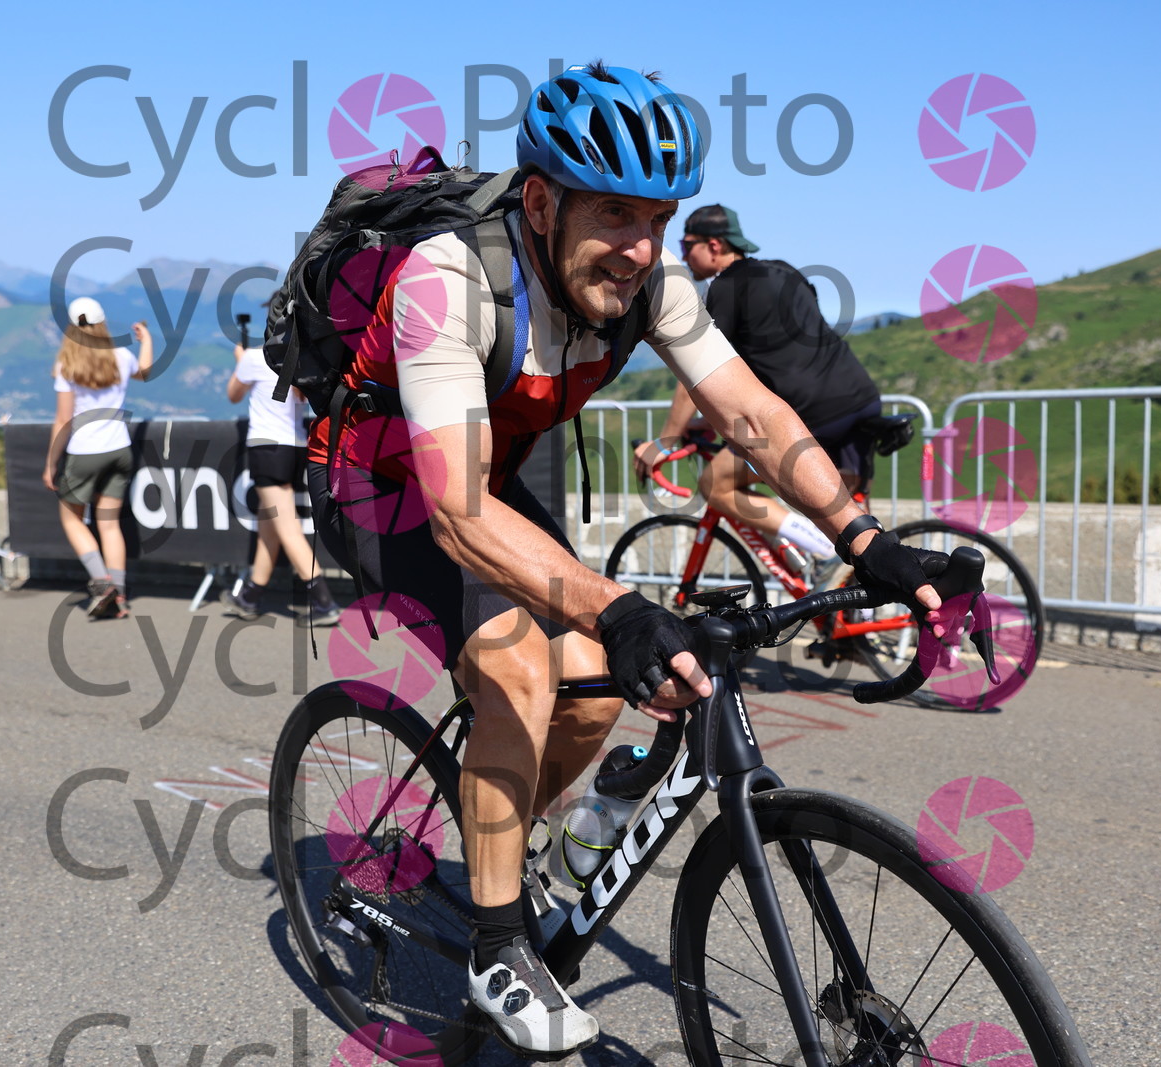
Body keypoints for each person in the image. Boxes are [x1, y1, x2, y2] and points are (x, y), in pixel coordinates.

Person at [305, 63, 948, 1057]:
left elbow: (750, 412)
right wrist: (615, 604)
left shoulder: (648, 282)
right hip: (380, 484)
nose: (640, 246)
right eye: (613, 211)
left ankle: (500, 837)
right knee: (520, 667)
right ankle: (497, 943)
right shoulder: (448, 278)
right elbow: (458, 513)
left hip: (482, 471)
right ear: (539, 203)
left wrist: (865, 538)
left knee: (599, 685)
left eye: (658, 218)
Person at [633, 205, 884, 559]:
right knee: (849, 506)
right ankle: (867, 572)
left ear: (715, 245)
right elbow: (777, 355)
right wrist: (711, 423)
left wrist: (667, 441)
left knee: (715, 484)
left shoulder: (726, 288)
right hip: (861, 399)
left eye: (687, 245)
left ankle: (824, 550)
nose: (683, 255)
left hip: (815, 412)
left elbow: (698, 372)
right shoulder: (783, 269)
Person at [42, 297, 152, 620]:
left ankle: (102, 582)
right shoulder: (121, 355)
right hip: (119, 450)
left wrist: (51, 463)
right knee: (109, 525)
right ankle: (120, 598)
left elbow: (63, 420)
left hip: (84, 452)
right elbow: (145, 372)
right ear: (102, 322)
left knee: (71, 518)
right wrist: (146, 341)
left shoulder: (67, 364)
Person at [224, 330, 340, 626]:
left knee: (286, 528)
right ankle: (251, 596)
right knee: (270, 526)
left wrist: (240, 361)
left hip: (267, 448)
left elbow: (233, 395)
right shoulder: (302, 359)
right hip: (295, 446)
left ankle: (324, 602)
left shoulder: (255, 357)